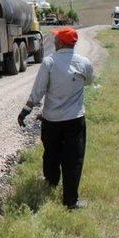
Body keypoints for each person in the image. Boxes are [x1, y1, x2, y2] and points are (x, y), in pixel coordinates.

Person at [17, 27, 94, 209]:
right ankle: (70, 201)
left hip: (51, 120)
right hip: (75, 120)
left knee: (51, 154)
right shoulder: (84, 63)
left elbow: (38, 91)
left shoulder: (49, 62)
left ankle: (51, 184)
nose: (54, 41)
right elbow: (89, 81)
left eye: (56, 38)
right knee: (73, 160)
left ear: (60, 42)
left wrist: (26, 110)